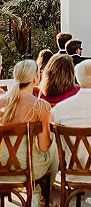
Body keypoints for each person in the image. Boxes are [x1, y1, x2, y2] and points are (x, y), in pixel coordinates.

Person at [0, 60, 58, 191]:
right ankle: (45, 195)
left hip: (3, 163)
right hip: (29, 166)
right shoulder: (41, 106)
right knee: (53, 146)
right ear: (35, 78)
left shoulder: (2, 102)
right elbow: (43, 148)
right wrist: (53, 135)